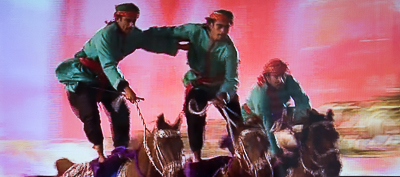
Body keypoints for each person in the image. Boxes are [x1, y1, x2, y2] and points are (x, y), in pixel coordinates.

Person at [56, 3, 179, 162]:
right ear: (117, 18)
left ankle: (120, 150)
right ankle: (100, 153)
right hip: (83, 78)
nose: (131, 25)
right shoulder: (105, 36)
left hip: (105, 78)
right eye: (127, 20)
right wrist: (125, 88)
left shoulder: (133, 34)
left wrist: (177, 46)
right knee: (91, 114)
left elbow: (150, 42)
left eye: (134, 21)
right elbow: (108, 64)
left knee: (120, 110)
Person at [149, 10, 243, 163]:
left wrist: (224, 95)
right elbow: (170, 32)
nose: (223, 31)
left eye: (226, 27)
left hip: (220, 87)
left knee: (236, 119)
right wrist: (146, 36)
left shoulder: (230, 50)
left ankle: (238, 154)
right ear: (209, 25)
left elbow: (231, 79)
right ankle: (197, 158)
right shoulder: (194, 31)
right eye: (219, 26)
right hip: (199, 86)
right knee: (194, 113)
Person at [241, 58, 311, 158]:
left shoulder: (289, 81)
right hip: (255, 116)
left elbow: (303, 101)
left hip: (279, 112)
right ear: (268, 77)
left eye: (282, 76)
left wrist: (302, 118)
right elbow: (265, 120)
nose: (280, 80)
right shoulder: (261, 91)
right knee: (260, 143)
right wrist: (275, 150)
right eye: (276, 77)